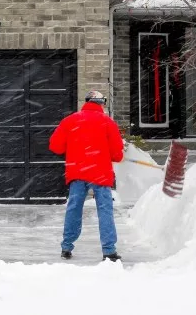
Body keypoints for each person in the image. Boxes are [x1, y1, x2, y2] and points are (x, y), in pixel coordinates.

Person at [49, 90, 125, 262]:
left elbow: (55, 146)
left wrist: (75, 145)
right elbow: (117, 155)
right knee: (105, 210)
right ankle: (109, 251)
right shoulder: (107, 122)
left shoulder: (70, 121)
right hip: (100, 173)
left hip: (78, 171)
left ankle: (66, 247)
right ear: (100, 104)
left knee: (74, 208)